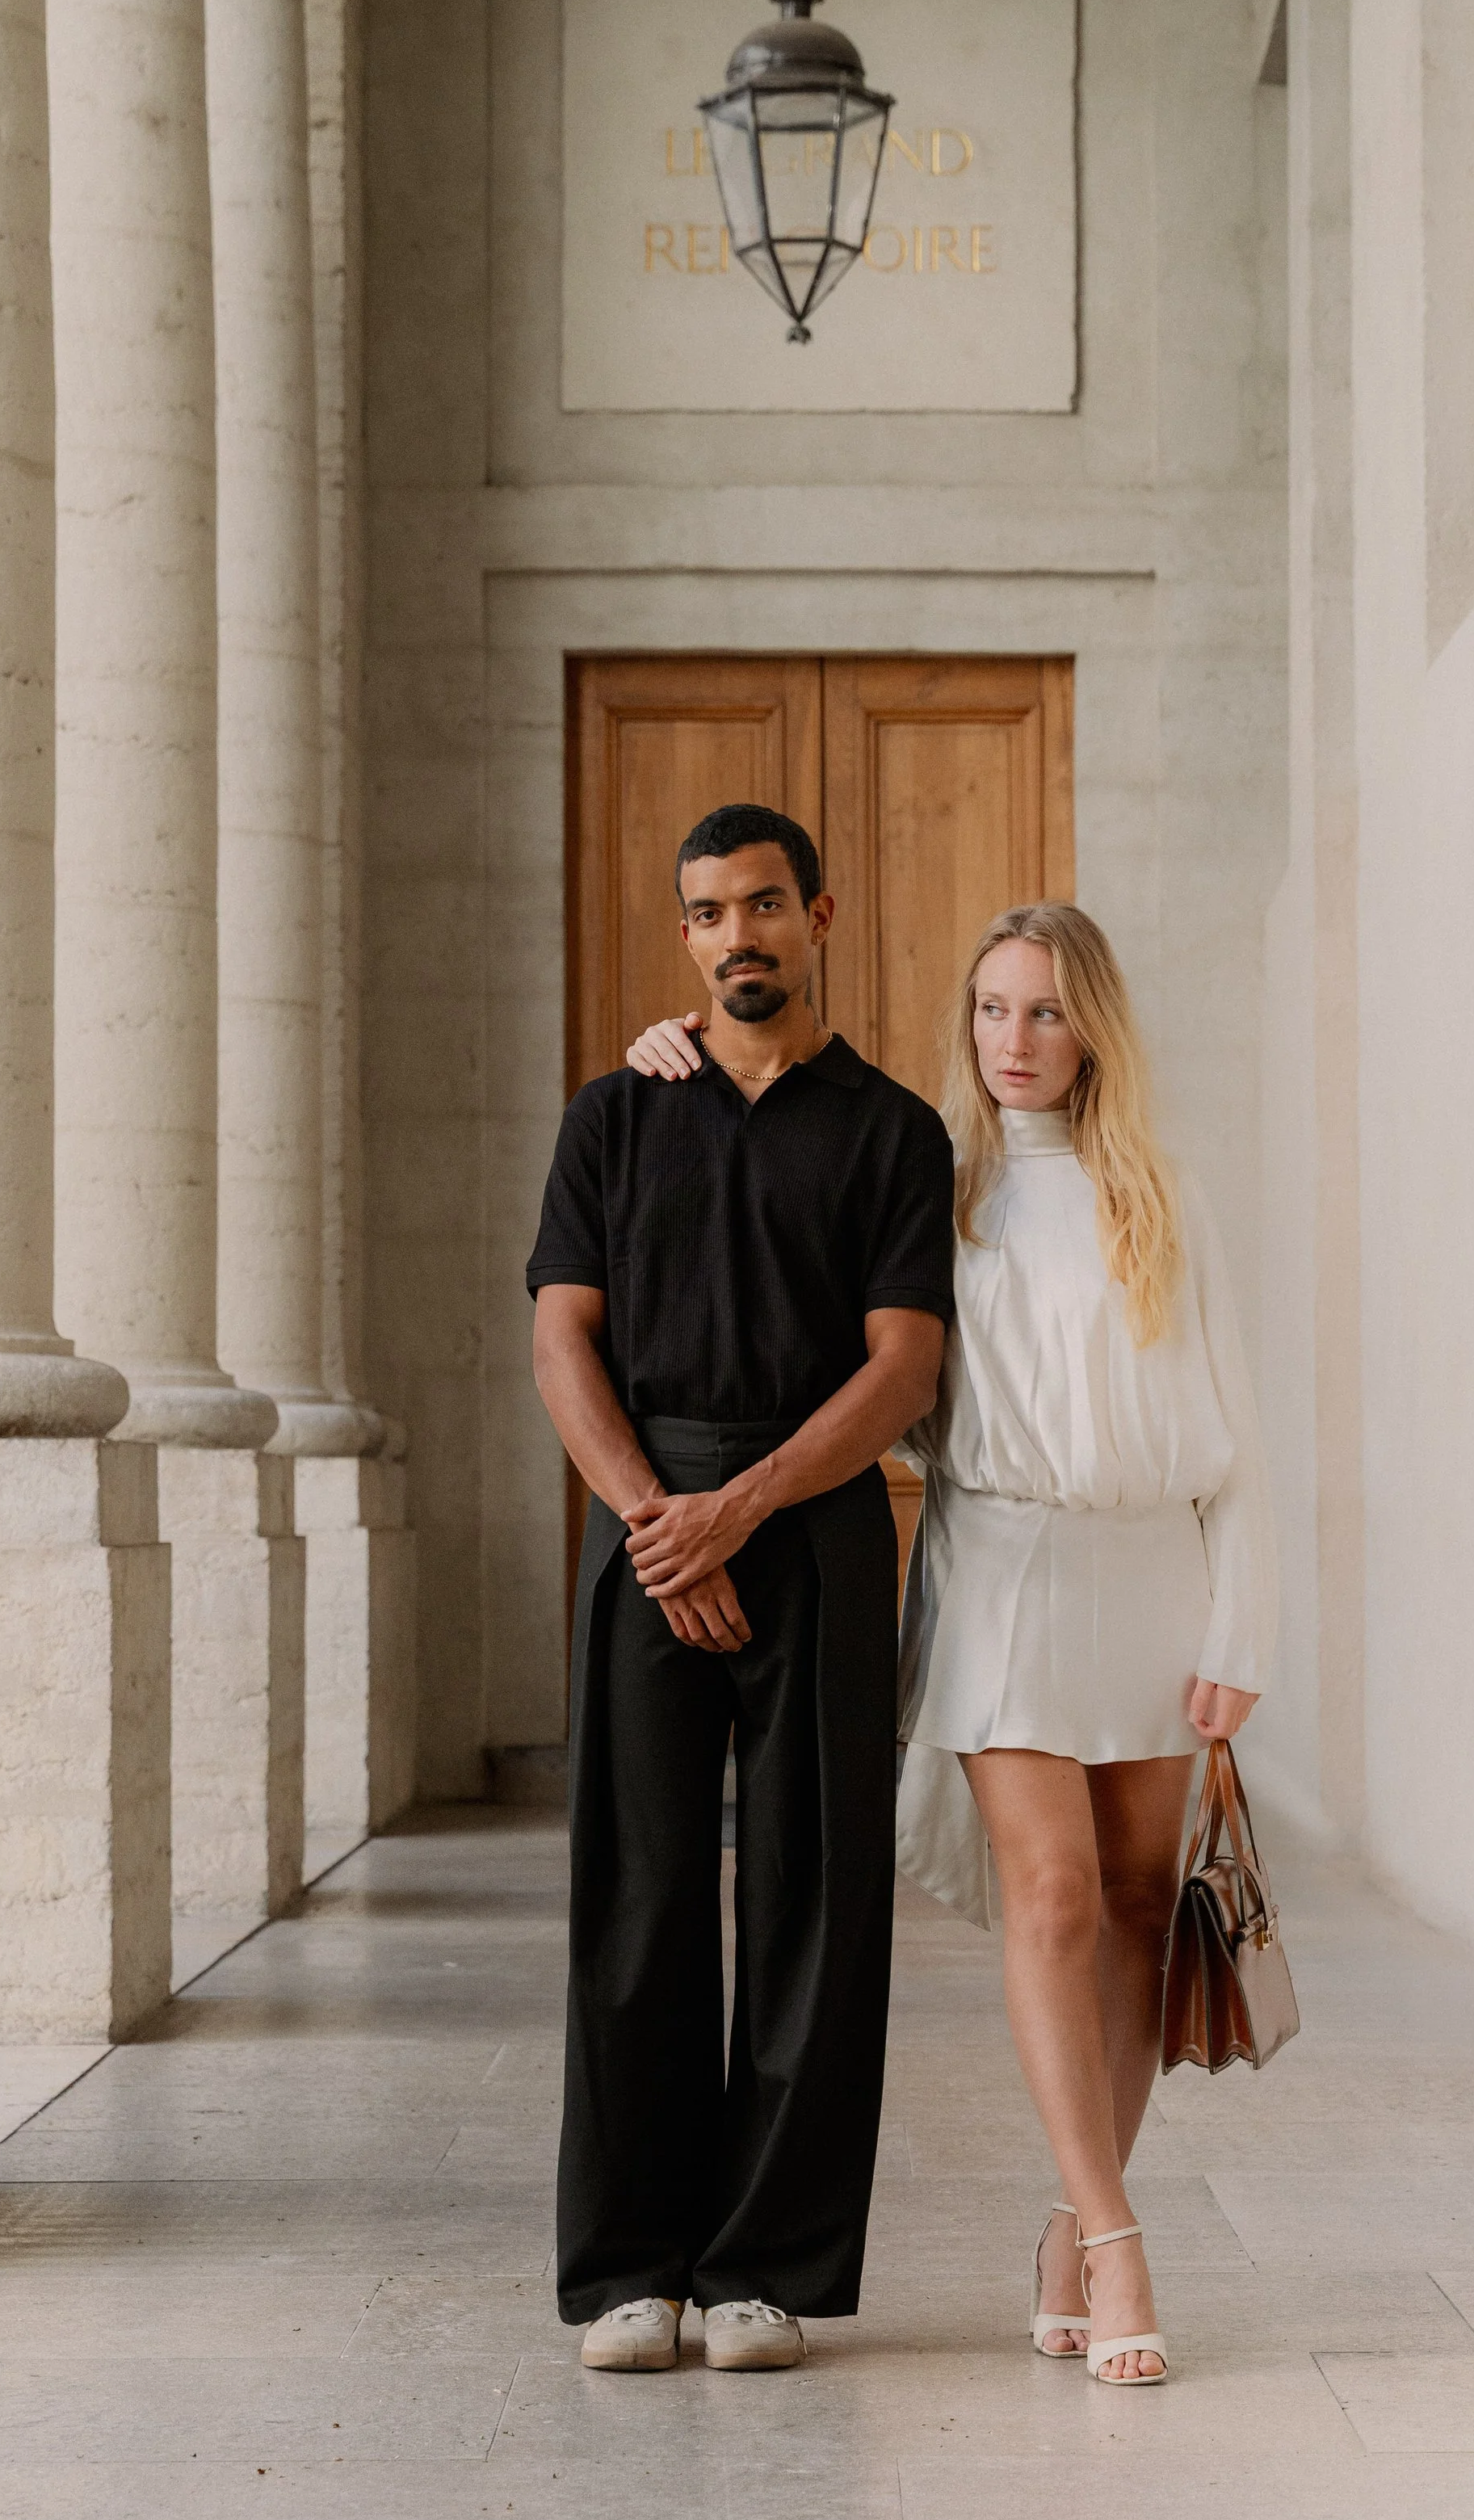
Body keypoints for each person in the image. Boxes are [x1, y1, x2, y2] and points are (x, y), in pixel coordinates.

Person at [625, 898, 1276, 2388]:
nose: (1015, 1041)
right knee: (1047, 1898)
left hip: (1153, 1572)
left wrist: (1245, 1620)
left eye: (1045, 1011)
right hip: (995, 1565)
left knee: (1129, 1909)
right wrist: (671, 1056)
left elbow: (1240, 1441)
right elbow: (794, 1278)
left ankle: (1066, 2215)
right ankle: (1117, 2237)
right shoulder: (931, 1172)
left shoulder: (1165, 1193)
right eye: (992, 1009)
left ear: (1092, 1026)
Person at [527, 801, 954, 2375]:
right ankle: (628, 2266)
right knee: (635, 1896)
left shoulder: (894, 1130)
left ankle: (765, 2268)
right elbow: (560, 1336)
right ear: (687, 934)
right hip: (645, 1519)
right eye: (707, 914)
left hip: (820, 1522)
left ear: (819, 913)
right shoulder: (614, 1115)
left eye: (763, 906)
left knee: (813, 1899)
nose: (736, 937)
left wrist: (742, 1514)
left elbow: (900, 1367)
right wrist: (657, 1521)